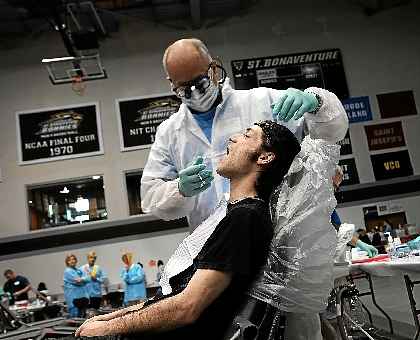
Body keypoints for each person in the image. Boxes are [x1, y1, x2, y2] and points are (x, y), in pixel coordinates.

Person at [74, 121, 301, 339]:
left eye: (246, 135)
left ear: (264, 157)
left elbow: (186, 307)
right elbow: (171, 295)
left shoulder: (246, 217)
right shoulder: (233, 214)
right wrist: (107, 319)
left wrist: (110, 328)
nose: (233, 137)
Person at [140, 38, 348, 232]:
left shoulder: (261, 102)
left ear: (213, 69)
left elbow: (328, 135)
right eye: (184, 90)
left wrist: (316, 102)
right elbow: (150, 197)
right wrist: (179, 189)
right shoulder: (169, 133)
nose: (195, 94)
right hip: (213, 246)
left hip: (276, 236)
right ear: (172, 84)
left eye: (200, 83)